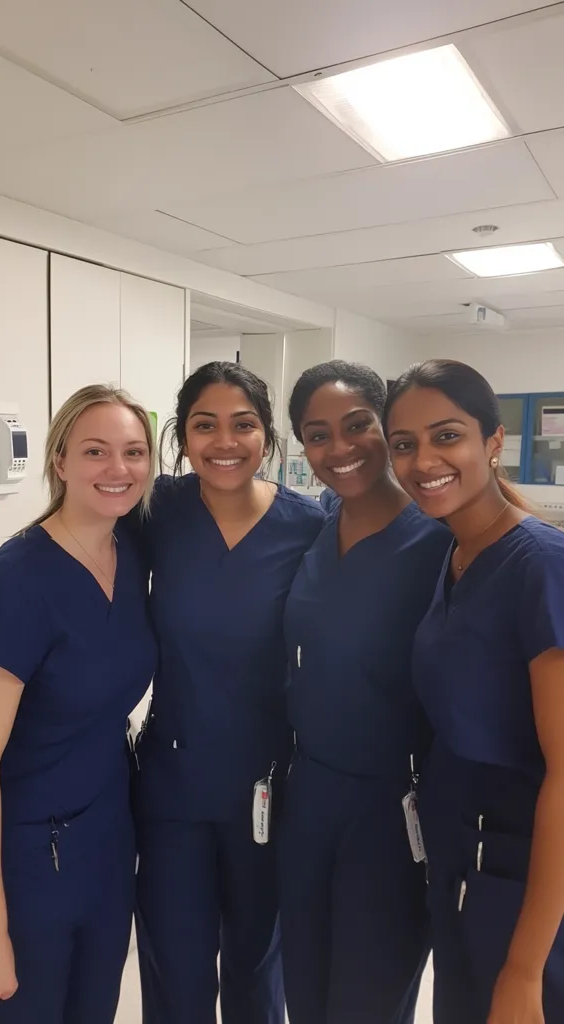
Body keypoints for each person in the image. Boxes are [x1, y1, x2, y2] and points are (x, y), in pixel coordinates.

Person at [133, 361, 325, 1024]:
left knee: (254, 968)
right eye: (204, 424)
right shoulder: (155, 509)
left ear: (267, 436)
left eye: (243, 424)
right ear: (182, 438)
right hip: (172, 785)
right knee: (176, 974)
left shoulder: (308, 524)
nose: (224, 441)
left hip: (266, 785)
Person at [384, 358, 564, 1024]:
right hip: (462, 865)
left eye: (447, 436)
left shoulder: (541, 567)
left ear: (493, 442)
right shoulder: (452, 553)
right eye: (404, 444)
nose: (424, 459)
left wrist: (523, 971)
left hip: (524, 888)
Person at [279, 360, 451, 1024]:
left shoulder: (440, 544)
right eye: (317, 435)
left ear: (388, 427)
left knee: (367, 1001)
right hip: (307, 796)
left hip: (392, 807)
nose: (339, 449)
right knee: (306, 989)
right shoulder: (321, 530)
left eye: (357, 426)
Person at [0, 385, 157, 1023]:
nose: (118, 470)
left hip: (109, 840)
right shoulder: (16, 583)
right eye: (96, 451)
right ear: (59, 461)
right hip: (27, 859)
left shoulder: (132, 550)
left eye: (134, 452)